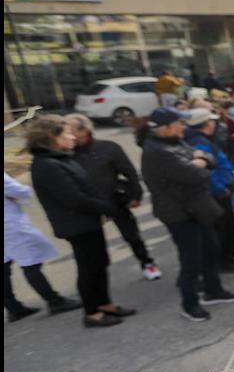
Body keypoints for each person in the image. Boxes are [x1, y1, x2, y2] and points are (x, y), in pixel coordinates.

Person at [26, 115, 135, 328]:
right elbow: (75, 199)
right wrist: (109, 208)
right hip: (76, 224)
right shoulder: (46, 164)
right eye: (67, 133)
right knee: (88, 267)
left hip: (87, 221)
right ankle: (92, 312)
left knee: (99, 263)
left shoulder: (59, 157)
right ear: (52, 137)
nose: (72, 137)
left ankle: (105, 304)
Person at [141, 107, 234, 322]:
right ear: (165, 127)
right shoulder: (157, 151)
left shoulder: (174, 142)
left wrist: (200, 160)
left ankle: (213, 290)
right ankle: (190, 304)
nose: (183, 127)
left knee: (211, 249)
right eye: (179, 123)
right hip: (180, 213)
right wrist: (199, 162)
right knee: (191, 260)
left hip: (196, 208)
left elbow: (208, 159)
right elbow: (195, 173)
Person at [64, 114, 161, 280]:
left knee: (132, 236)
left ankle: (147, 263)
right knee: (93, 246)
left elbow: (130, 173)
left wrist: (135, 195)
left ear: (84, 130)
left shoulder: (109, 147)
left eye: (70, 130)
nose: (67, 134)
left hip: (114, 200)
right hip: (88, 206)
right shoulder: (65, 155)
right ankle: (97, 279)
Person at [4, 172, 81, 322]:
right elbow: (18, 190)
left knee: (5, 265)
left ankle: (13, 308)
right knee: (30, 262)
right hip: (10, 224)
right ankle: (54, 301)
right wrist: (21, 191)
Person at [184, 109, 234, 274]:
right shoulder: (200, 142)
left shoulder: (201, 139)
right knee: (225, 229)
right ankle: (225, 261)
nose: (214, 123)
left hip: (220, 189)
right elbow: (207, 171)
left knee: (224, 228)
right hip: (218, 193)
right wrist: (221, 188)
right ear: (205, 124)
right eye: (212, 121)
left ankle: (224, 260)